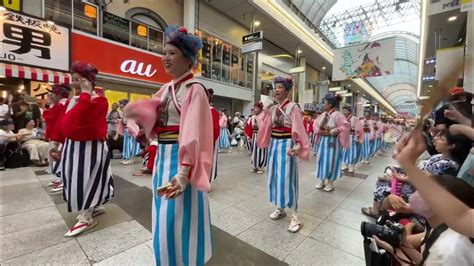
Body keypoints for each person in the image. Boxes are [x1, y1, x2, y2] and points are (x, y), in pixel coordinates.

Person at [123, 25, 213, 265]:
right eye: (164, 52)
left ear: (188, 57)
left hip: (182, 161)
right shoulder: (166, 89)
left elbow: (194, 133)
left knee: (179, 218)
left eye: (172, 52)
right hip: (163, 156)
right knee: (163, 219)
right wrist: (139, 122)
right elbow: (153, 121)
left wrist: (184, 172)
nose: (166, 58)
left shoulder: (195, 89)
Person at [58, 61, 113, 237]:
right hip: (73, 145)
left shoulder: (100, 100)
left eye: (78, 79)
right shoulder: (76, 99)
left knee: (86, 180)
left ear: (88, 81)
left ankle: (87, 216)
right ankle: (93, 207)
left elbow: (74, 118)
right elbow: (64, 124)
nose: (74, 82)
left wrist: (85, 95)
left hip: (90, 147)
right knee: (75, 179)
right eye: (73, 79)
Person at [373, 174, 474, 265]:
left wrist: (397, 252)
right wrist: (401, 246)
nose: (416, 191)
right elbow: (425, 261)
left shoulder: (448, 251)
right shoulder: (440, 226)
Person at [256, 76, 309, 233]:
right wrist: (263, 113)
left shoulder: (293, 108)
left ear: (287, 90)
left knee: (287, 179)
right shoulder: (272, 109)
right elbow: (265, 127)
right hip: (274, 145)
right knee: (274, 176)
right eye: (275, 87)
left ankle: (295, 216)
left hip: (287, 146)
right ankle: (280, 207)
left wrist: (298, 146)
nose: (276, 89)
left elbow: (299, 129)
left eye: (280, 87)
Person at [313, 93, 349, 192]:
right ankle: (321, 180)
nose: (322, 104)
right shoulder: (323, 115)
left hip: (333, 141)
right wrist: (317, 129)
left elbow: (345, 126)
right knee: (321, 160)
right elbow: (315, 123)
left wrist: (336, 129)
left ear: (329, 104)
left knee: (332, 161)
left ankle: (330, 182)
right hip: (322, 140)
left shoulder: (338, 115)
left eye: (324, 102)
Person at [42, 83, 71, 191]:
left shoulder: (61, 104)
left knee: (61, 159)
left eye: (53, 93)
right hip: (60, 135)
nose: (51, 96)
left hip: (60, 135)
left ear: (59, 94)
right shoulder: (62, 103)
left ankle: (63, 181)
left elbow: (48, 116)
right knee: (60, 159)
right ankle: (61, 179)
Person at [341, 106, 363, 173]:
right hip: (345, 137)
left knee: (352, 152)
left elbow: (359, 128)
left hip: (352, 137)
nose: (344, 112)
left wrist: (357, 136)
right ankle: (345, 165)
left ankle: (351, 166)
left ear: (349, 111)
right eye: (343, 110)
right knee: (344, 152)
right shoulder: (342, 118)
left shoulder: (355, 119)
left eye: (345, 110)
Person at [119, 99, 141, 165]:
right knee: (128, 146)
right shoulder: (125, 113)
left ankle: (131, 159)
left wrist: (130, 130)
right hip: (127, 130)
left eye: (121, 105)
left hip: (131, 131)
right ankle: (128, 159)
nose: (120, 106)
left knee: (132, 145)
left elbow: (132, 123)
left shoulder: (130, 113)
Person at [249, 102, 267, 174]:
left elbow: (264, 126)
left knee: (261, 151)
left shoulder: (263, 115)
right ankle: (255, 165)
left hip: (261, 135)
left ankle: (261, 167)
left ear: (260, 109)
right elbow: (252, 126)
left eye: (256, 108)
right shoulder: (254, 116)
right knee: (254, 150)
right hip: (255, 134)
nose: (254, 109)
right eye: (254, 107)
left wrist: (257, 126)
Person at [208, 88, 220, 182]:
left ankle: (208, 180)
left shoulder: (213, 111)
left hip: (210, 138)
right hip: (202, 139)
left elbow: (215, 129)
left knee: (210, 159)